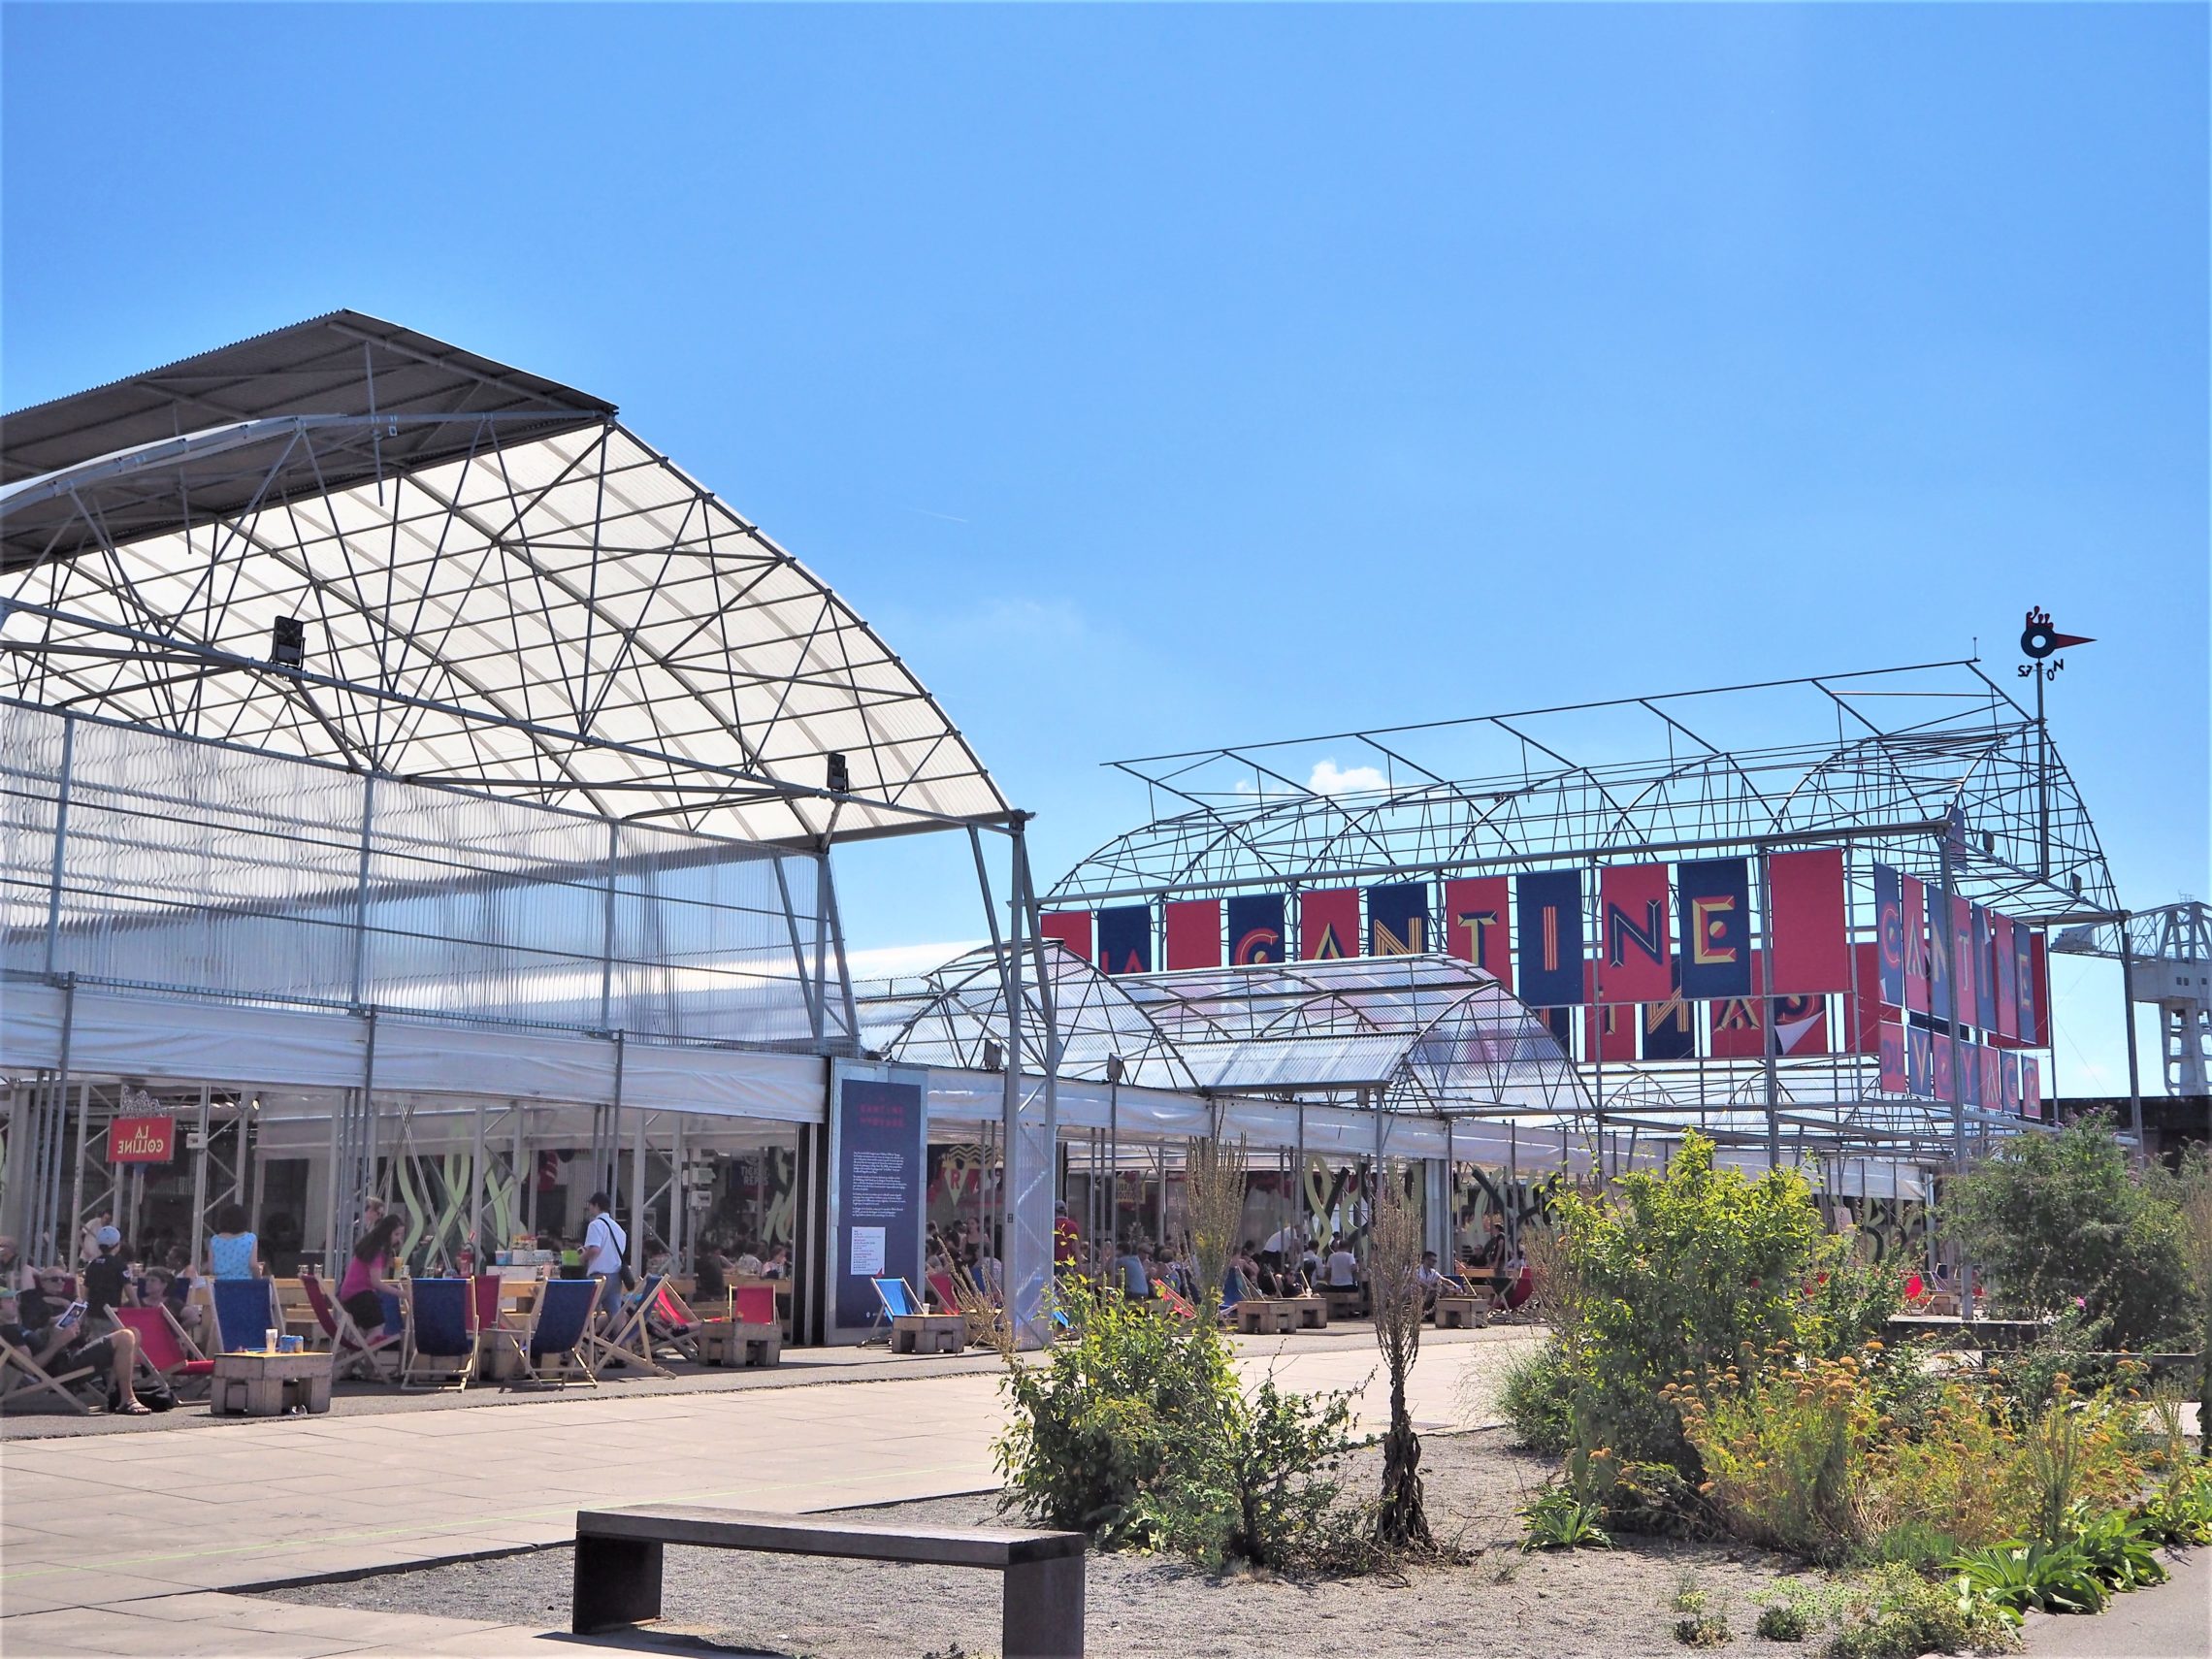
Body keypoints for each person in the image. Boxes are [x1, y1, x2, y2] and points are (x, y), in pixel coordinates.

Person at [2, 1280, 149, 1414]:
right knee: (125, 1336)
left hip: (67, 1358)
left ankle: (120, 1393)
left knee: (134, 1332)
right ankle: (127, 1399)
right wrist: (59, 1342)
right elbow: (31, 1366)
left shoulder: (18, 1328)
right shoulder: (8, 1332)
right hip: (63, 1369)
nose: (15, 1303)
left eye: (14, 1299)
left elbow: (43, 1351)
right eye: (8, 1300)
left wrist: (58, 1336)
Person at [340, 1213, 405, 1344]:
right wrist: (401, 1293)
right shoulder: (377, 1252)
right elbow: (376, 1282)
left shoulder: (370, 1247)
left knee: (367, 1331)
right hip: (360, 1295)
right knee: (377, 1330)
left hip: (350, 1294)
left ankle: (352, 1361)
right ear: (387, 1233)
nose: (398, 1239)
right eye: (396, 1235)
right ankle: (357, 1359)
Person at [580, 1192, 628, 1326]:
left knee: (583, 1310)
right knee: (615, 1314)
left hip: (600, 1277)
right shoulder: (618, 1228)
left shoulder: (595, 1225)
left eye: (590, 1205)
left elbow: (595, 1249)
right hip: (616, 1276)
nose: (589, 1208)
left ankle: (579, 1344)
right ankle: (622, 1345)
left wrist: (581, 1258)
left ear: (596, 1205)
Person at [81, 1225, 129, 1322]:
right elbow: (129, 1290)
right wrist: (139, 1308)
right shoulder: (119, 1264)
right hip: (110, 1314)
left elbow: (85, 1292)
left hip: (92, 1313)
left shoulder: (93, 1264)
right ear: (117, 1244)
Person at [205, 1203, 261, 1281]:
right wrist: (258, 1279)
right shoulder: (250, 1239)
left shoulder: (215, 1240)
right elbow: (253, 1265)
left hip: (222, 1286)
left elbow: (211, 1269)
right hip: (245, 1285)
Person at [1114, 1236, 1151, 1300]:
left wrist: (1112, 1254)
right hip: (1145, 1293)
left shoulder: (1121, 1261)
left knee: (1113, 1294)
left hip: (1134, 1294)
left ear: (1120, 1251)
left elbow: (1107, 1270)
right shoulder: (1136, 1259)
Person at [1053, 1203, 1080, 1272]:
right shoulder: (1073, 1225)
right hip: (1068, 1262)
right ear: (1065, 1211)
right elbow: (1076, 1248)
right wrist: (1080, 1266)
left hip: (1054, 1263)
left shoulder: (1052, 1224)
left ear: (1054, 1211)